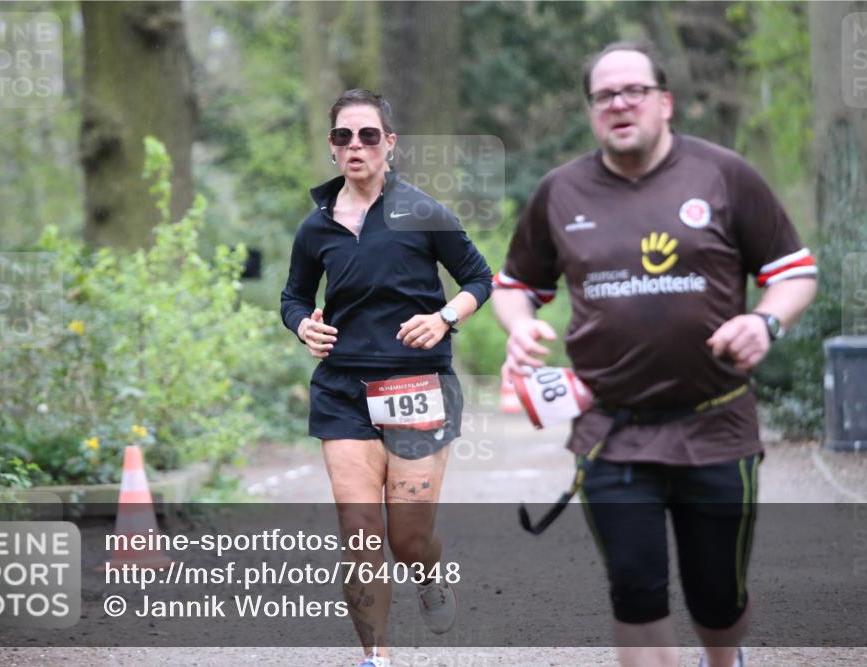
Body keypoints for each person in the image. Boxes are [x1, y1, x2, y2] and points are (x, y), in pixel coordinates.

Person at [491, 42, 818, 667]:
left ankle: (724, 656)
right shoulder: (560, 192)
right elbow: (515, 286)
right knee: (635, 595)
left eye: (633, 90)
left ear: (664, 102)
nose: (619, 103)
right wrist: (519, 326)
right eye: (604, 95)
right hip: (612, 431)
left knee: (717, 599)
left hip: (717, 425)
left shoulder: (724, 175)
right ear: (591, 111)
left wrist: (764, 320)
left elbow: (795, 273)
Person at [280, 89, 493, 667]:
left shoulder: (424, 213)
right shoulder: (315, 228)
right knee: (359, 533)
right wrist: (304, 328)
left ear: (389, 145)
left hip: (416, 389)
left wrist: (445, 317)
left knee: (407, 538)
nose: (356, 146)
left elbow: (478, 278)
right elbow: (294, 296)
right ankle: (377, 657)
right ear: (331, 148)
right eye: (344, 136)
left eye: (368, 135)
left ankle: (426, 571)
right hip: (343, 391)